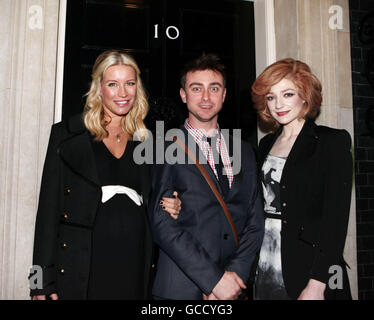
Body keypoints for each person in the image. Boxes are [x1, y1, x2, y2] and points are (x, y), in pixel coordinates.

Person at [30, 50, 181, 300]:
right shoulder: (67, 135)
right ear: (99, 88)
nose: (123, 93)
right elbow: (47, 212)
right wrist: (39, 283)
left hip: (135, 267)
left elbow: (157, 199)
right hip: (83, 268)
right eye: (113, 84)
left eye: (129, 83)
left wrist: (173, 205)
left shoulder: (148, 141)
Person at [148, 53, 264, 300]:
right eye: (196, 88)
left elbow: (255, 222)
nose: (205, 97)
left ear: (224, 95)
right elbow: (161, 222)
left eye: (214, 88)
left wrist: (234, 276)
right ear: (183, 95)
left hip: (234, 289)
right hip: (180, 288)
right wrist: (214, 280)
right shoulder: (164, 145)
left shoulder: (244, 150)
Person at [251, 58, 353, 300]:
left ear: (305, 96)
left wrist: (318, 283)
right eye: (271, 97)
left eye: (287, 94)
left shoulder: (331, 142)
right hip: (265, 261)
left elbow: (336, 221)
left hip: (309, 267)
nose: (278, 104)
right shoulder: (265, 144)